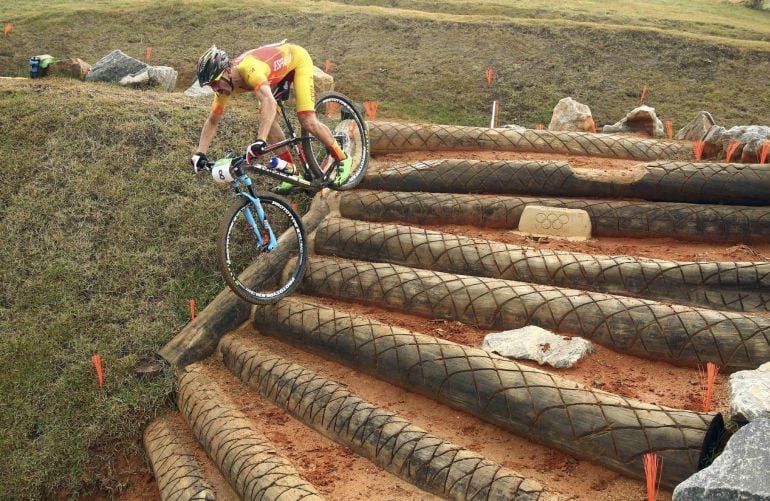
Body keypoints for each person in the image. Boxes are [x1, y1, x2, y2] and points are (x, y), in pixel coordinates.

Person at [190, 42, 347, 181]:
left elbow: (268, 100)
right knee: (269, 121)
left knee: (306, 120)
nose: (215, 89)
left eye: (216, 82)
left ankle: (343, 158)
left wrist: (260, 140)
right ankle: (291, 173)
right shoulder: (225, 88)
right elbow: (212, 120)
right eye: (211, 86)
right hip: (273, 75)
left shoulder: (250, 69)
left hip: (296, 60)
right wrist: (200, 153)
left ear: (228, 71)